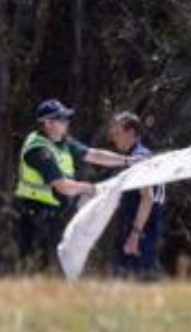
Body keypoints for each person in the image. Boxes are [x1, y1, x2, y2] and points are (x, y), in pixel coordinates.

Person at [12, 99, 136, 273]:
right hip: (35, 217)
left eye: (66, 118)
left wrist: (127, 161)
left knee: (54, 270)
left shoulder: (62, 142)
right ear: (47, 123)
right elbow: (61, 186)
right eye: (61, 119)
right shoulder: (38, 150)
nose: (66, 122)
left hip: (52, 215)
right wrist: (90, 188)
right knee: (35, 270)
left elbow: (94, 155)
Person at [108, 112, 165, 279]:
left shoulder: (140, 158)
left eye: (117, 133)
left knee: (138, 282)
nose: (114, 139)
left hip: (141, 232)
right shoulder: (134, 157)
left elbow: (147, 197)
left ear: (131, 133)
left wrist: (135, 234)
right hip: (138, 229)